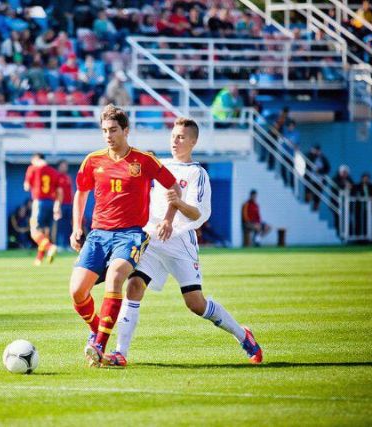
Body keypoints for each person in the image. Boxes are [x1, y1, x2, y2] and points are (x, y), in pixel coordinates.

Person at [107, 118, 262, 367]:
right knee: (134, 286)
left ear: (193, 141)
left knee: (195, 304)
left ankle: (242, 334)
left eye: (181, 137)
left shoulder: (197, 174)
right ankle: (120, 352)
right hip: (152, 239)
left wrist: (178, 204)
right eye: (173, 136)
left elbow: (199, 213)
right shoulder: (159, 165)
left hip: (180, 242)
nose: (175, 141)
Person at [70, 104, 181, 367]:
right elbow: (81, 193)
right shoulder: (92, 160)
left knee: (115, 277)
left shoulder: (144, 160)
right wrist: (77, 227)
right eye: (104, 130)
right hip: (98, 235)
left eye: (113, 130)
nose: (108, 136)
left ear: (126, 130)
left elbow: (174, 187)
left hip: (130, 234)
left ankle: (99, 345)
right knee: (77, 292)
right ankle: (96, 330)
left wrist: (168, 218)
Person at [24, 153, 62, 266]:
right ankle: (39, 259)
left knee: (34, 232)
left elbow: (26, 186)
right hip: (51, 203)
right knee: (45, 233)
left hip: (39, 202)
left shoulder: (33, 168)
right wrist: (57, 205)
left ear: (35, 159)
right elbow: (59, 191)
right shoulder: (53, 171)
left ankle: (50, 247)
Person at [305, 145, 331, 211]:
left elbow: (328, 168)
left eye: (317, 150)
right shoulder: (309, 156)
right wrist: (311, 153)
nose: (316, 152)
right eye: (315, 150)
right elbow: (306, 163)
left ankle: (315, 210)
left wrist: (319, 171)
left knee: (317, 196)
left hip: (320, 180)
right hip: (310, 178)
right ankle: (306, 206)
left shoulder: (323, 158)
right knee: (308, 192)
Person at [55, 160, 73, 250]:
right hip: (60, 205)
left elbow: (71, 191)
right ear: (59, 167)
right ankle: (59, 244)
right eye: (63, 166)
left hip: (69, 204)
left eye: (66, 166)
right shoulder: (56, 176)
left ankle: (67, 245)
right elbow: (57, 192)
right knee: (60, 225)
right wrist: (57, 205)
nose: (65, 168)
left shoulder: (68, 177)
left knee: (68, 226)